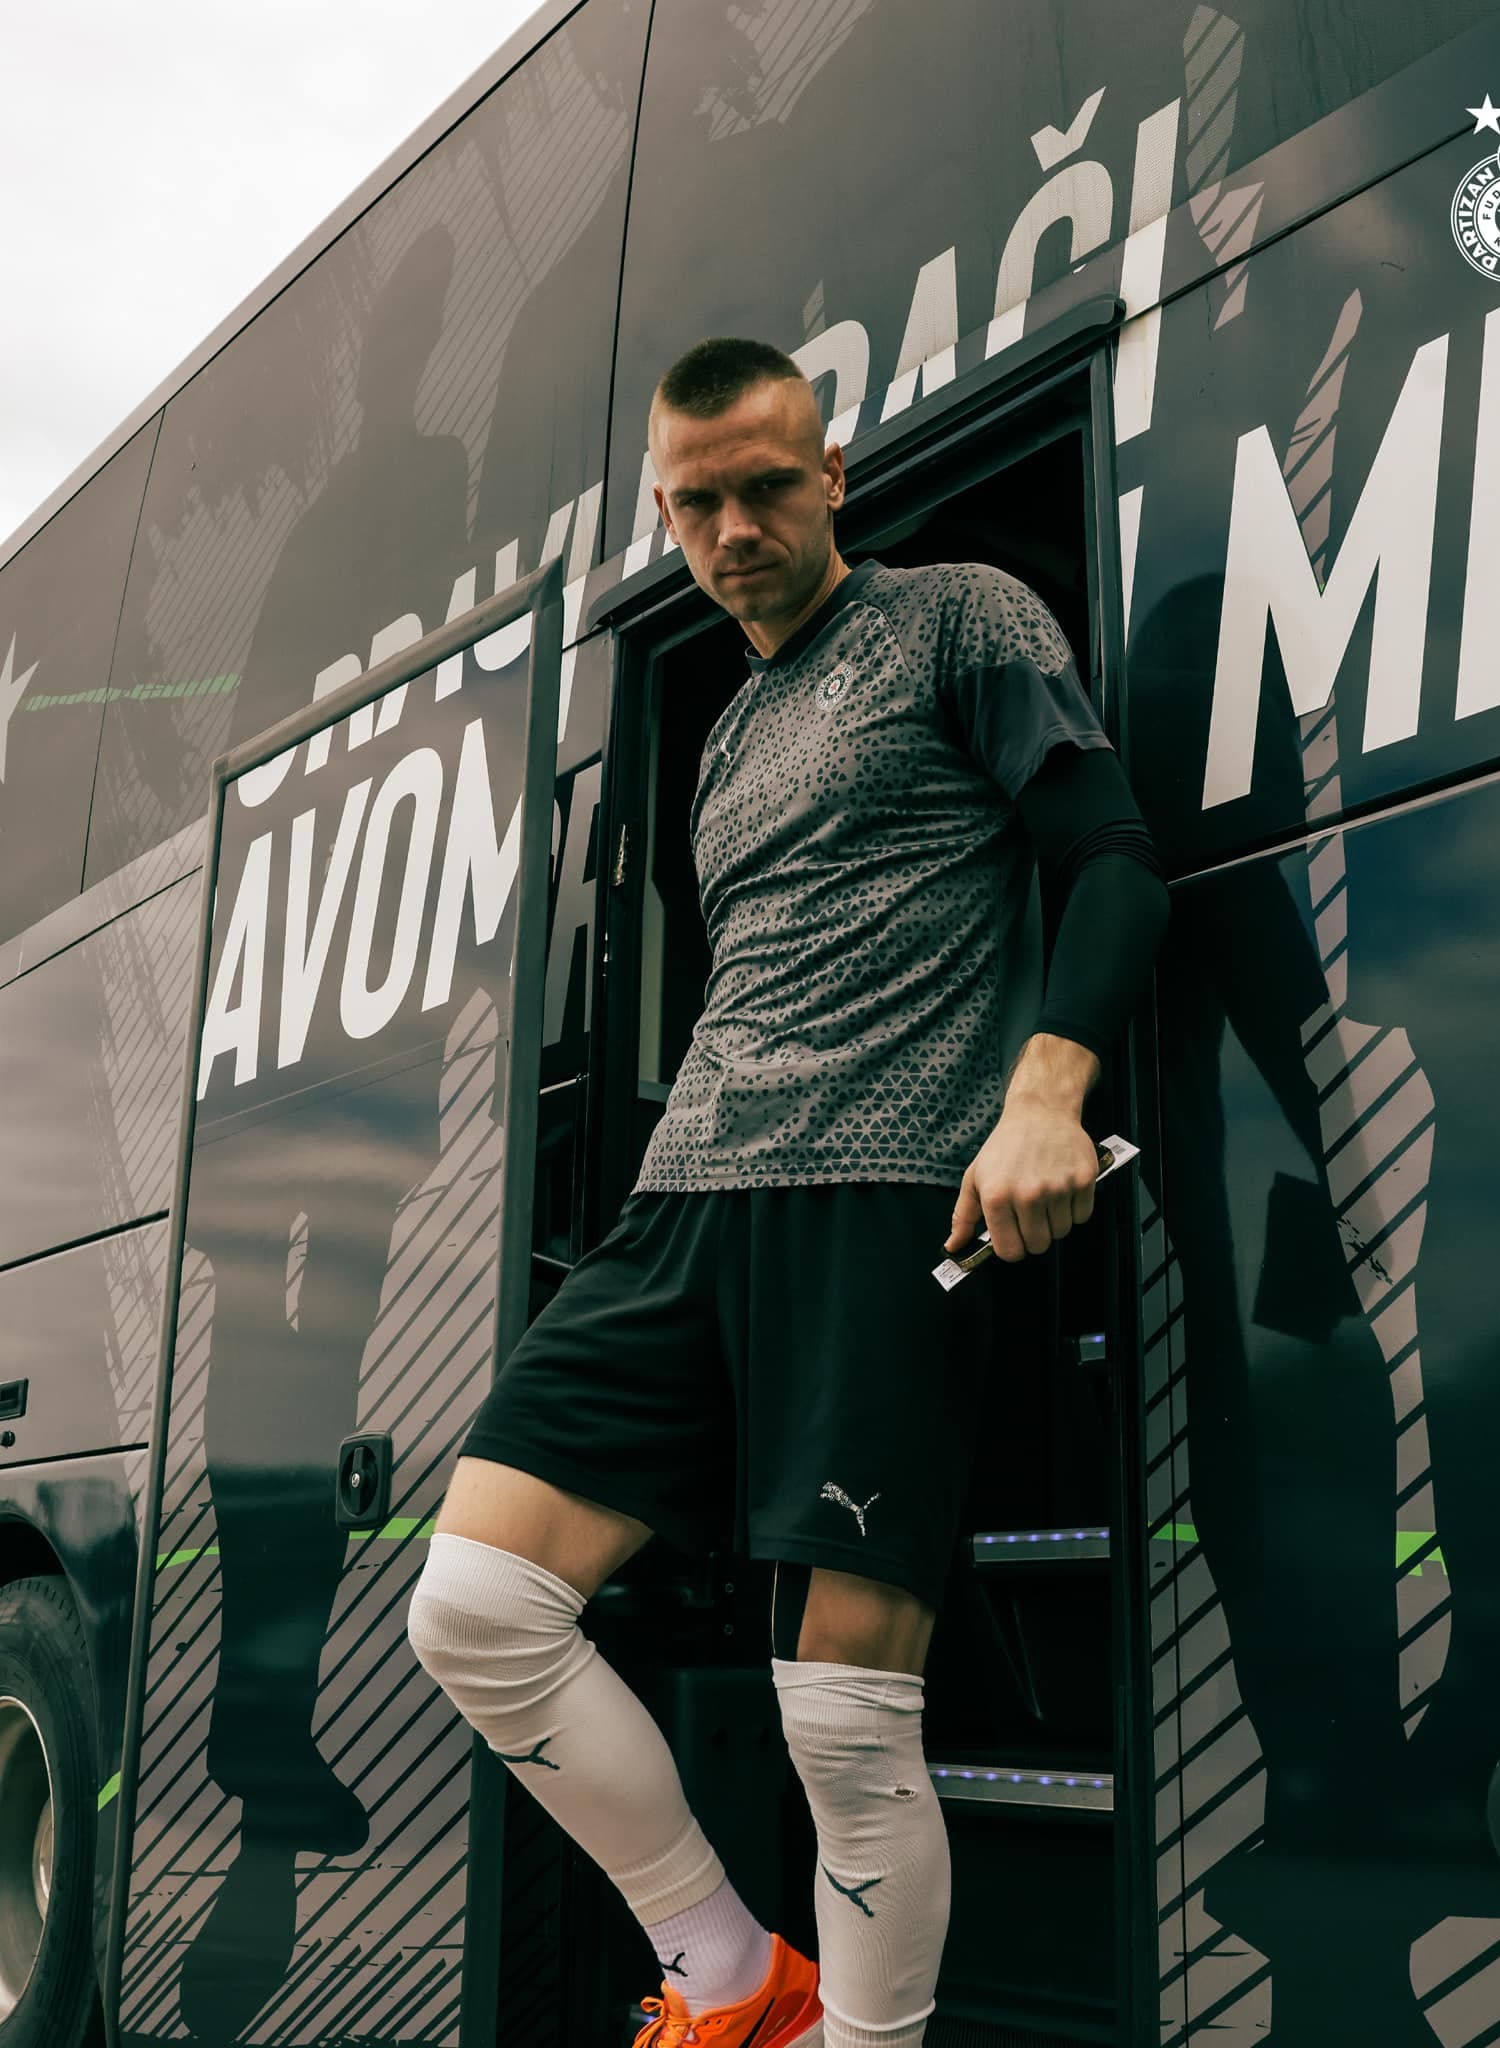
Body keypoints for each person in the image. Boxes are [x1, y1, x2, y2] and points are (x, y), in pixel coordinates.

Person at [407, 336, 1170, 2048]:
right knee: (470, 1605)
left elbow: (1111, 864)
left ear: (832, 479)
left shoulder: (961, 618)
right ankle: (732, 1979)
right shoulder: (727, 733)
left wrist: (1046, 1095)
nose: (734, 526)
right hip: (689, 1202)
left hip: (882, 1195)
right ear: (666, 517)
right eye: (698, 503)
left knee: (838, 1719)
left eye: (767, 485)